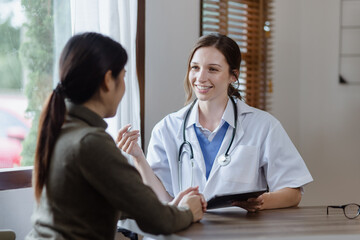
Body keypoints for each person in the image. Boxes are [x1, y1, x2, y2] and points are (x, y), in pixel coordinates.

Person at [26, 32, 205, 240]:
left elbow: (97, 203)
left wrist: (169, 208)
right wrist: (189, 211)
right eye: (123, 76)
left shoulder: (62, 128)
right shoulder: (90, 141)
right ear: (107, 81)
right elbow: (160, 222)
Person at [120, 33, 313, 213]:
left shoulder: (263, 126)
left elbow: (293, 192)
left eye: (212, 69)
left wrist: (261, 202)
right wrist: (138, 158)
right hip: (186, 233)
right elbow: (163, 201)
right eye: (195, 67)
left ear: (233, 76)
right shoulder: (167, 128)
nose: (201, 77)